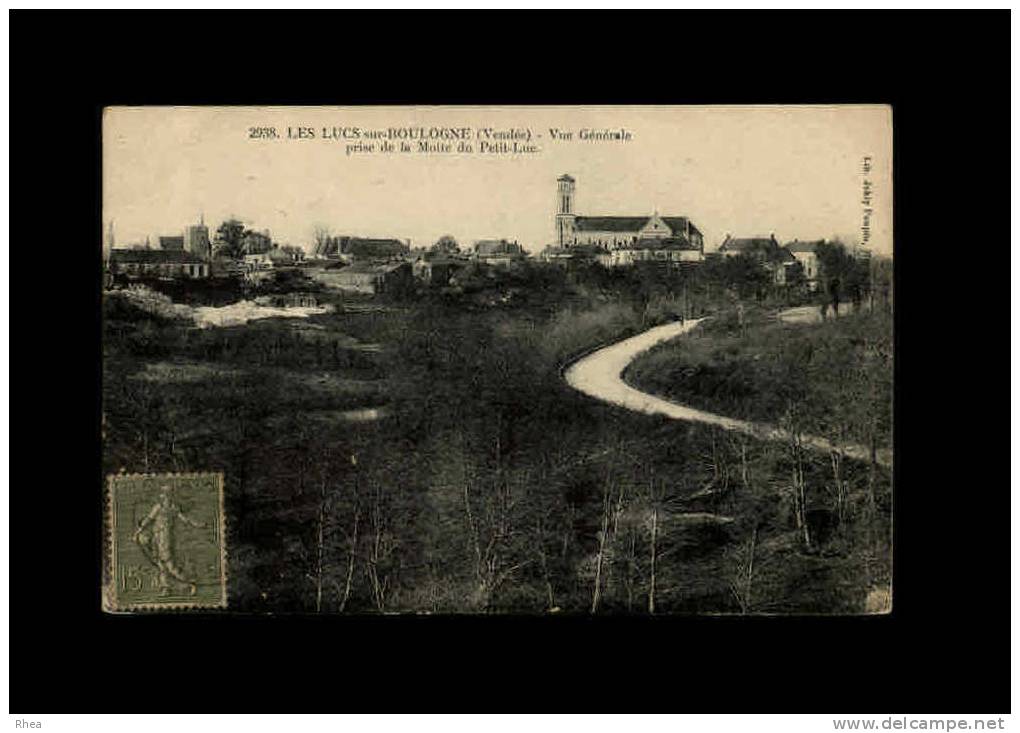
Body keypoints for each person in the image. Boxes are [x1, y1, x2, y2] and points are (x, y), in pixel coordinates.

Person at [134, 484, 207, 596]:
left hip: (166, 539)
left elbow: (185, 519)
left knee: (170, 566)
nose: (165, 497)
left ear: (171, 496)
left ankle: (192, 583)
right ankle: (166, 588)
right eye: (164, 494)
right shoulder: (158, 507)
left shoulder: (174, 508)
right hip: (157, 538)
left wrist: (197, 525)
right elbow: (148, 520)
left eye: (168, 495)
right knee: (161, 566)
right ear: (162, 496)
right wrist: (138, 532)